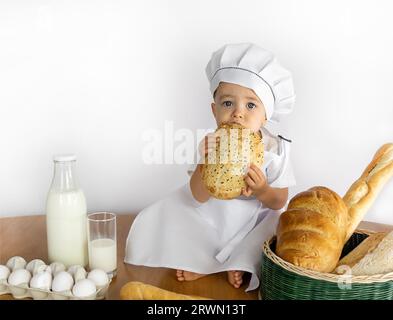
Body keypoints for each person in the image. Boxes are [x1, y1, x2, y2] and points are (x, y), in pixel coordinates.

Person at [124, 43, 296, 291]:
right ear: (214, 110)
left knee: (268, 233)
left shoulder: (275, 149)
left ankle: (237, 263)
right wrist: (204, 163)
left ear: (266, 115)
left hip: (254, 217)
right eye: (228, 104)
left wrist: (262, 190)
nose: (238, 114)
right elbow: (197, 195)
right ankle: (202, 263)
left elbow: (279, 200)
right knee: (186, 216)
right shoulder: (213, 144)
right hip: (216, 213)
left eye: (250, 105)